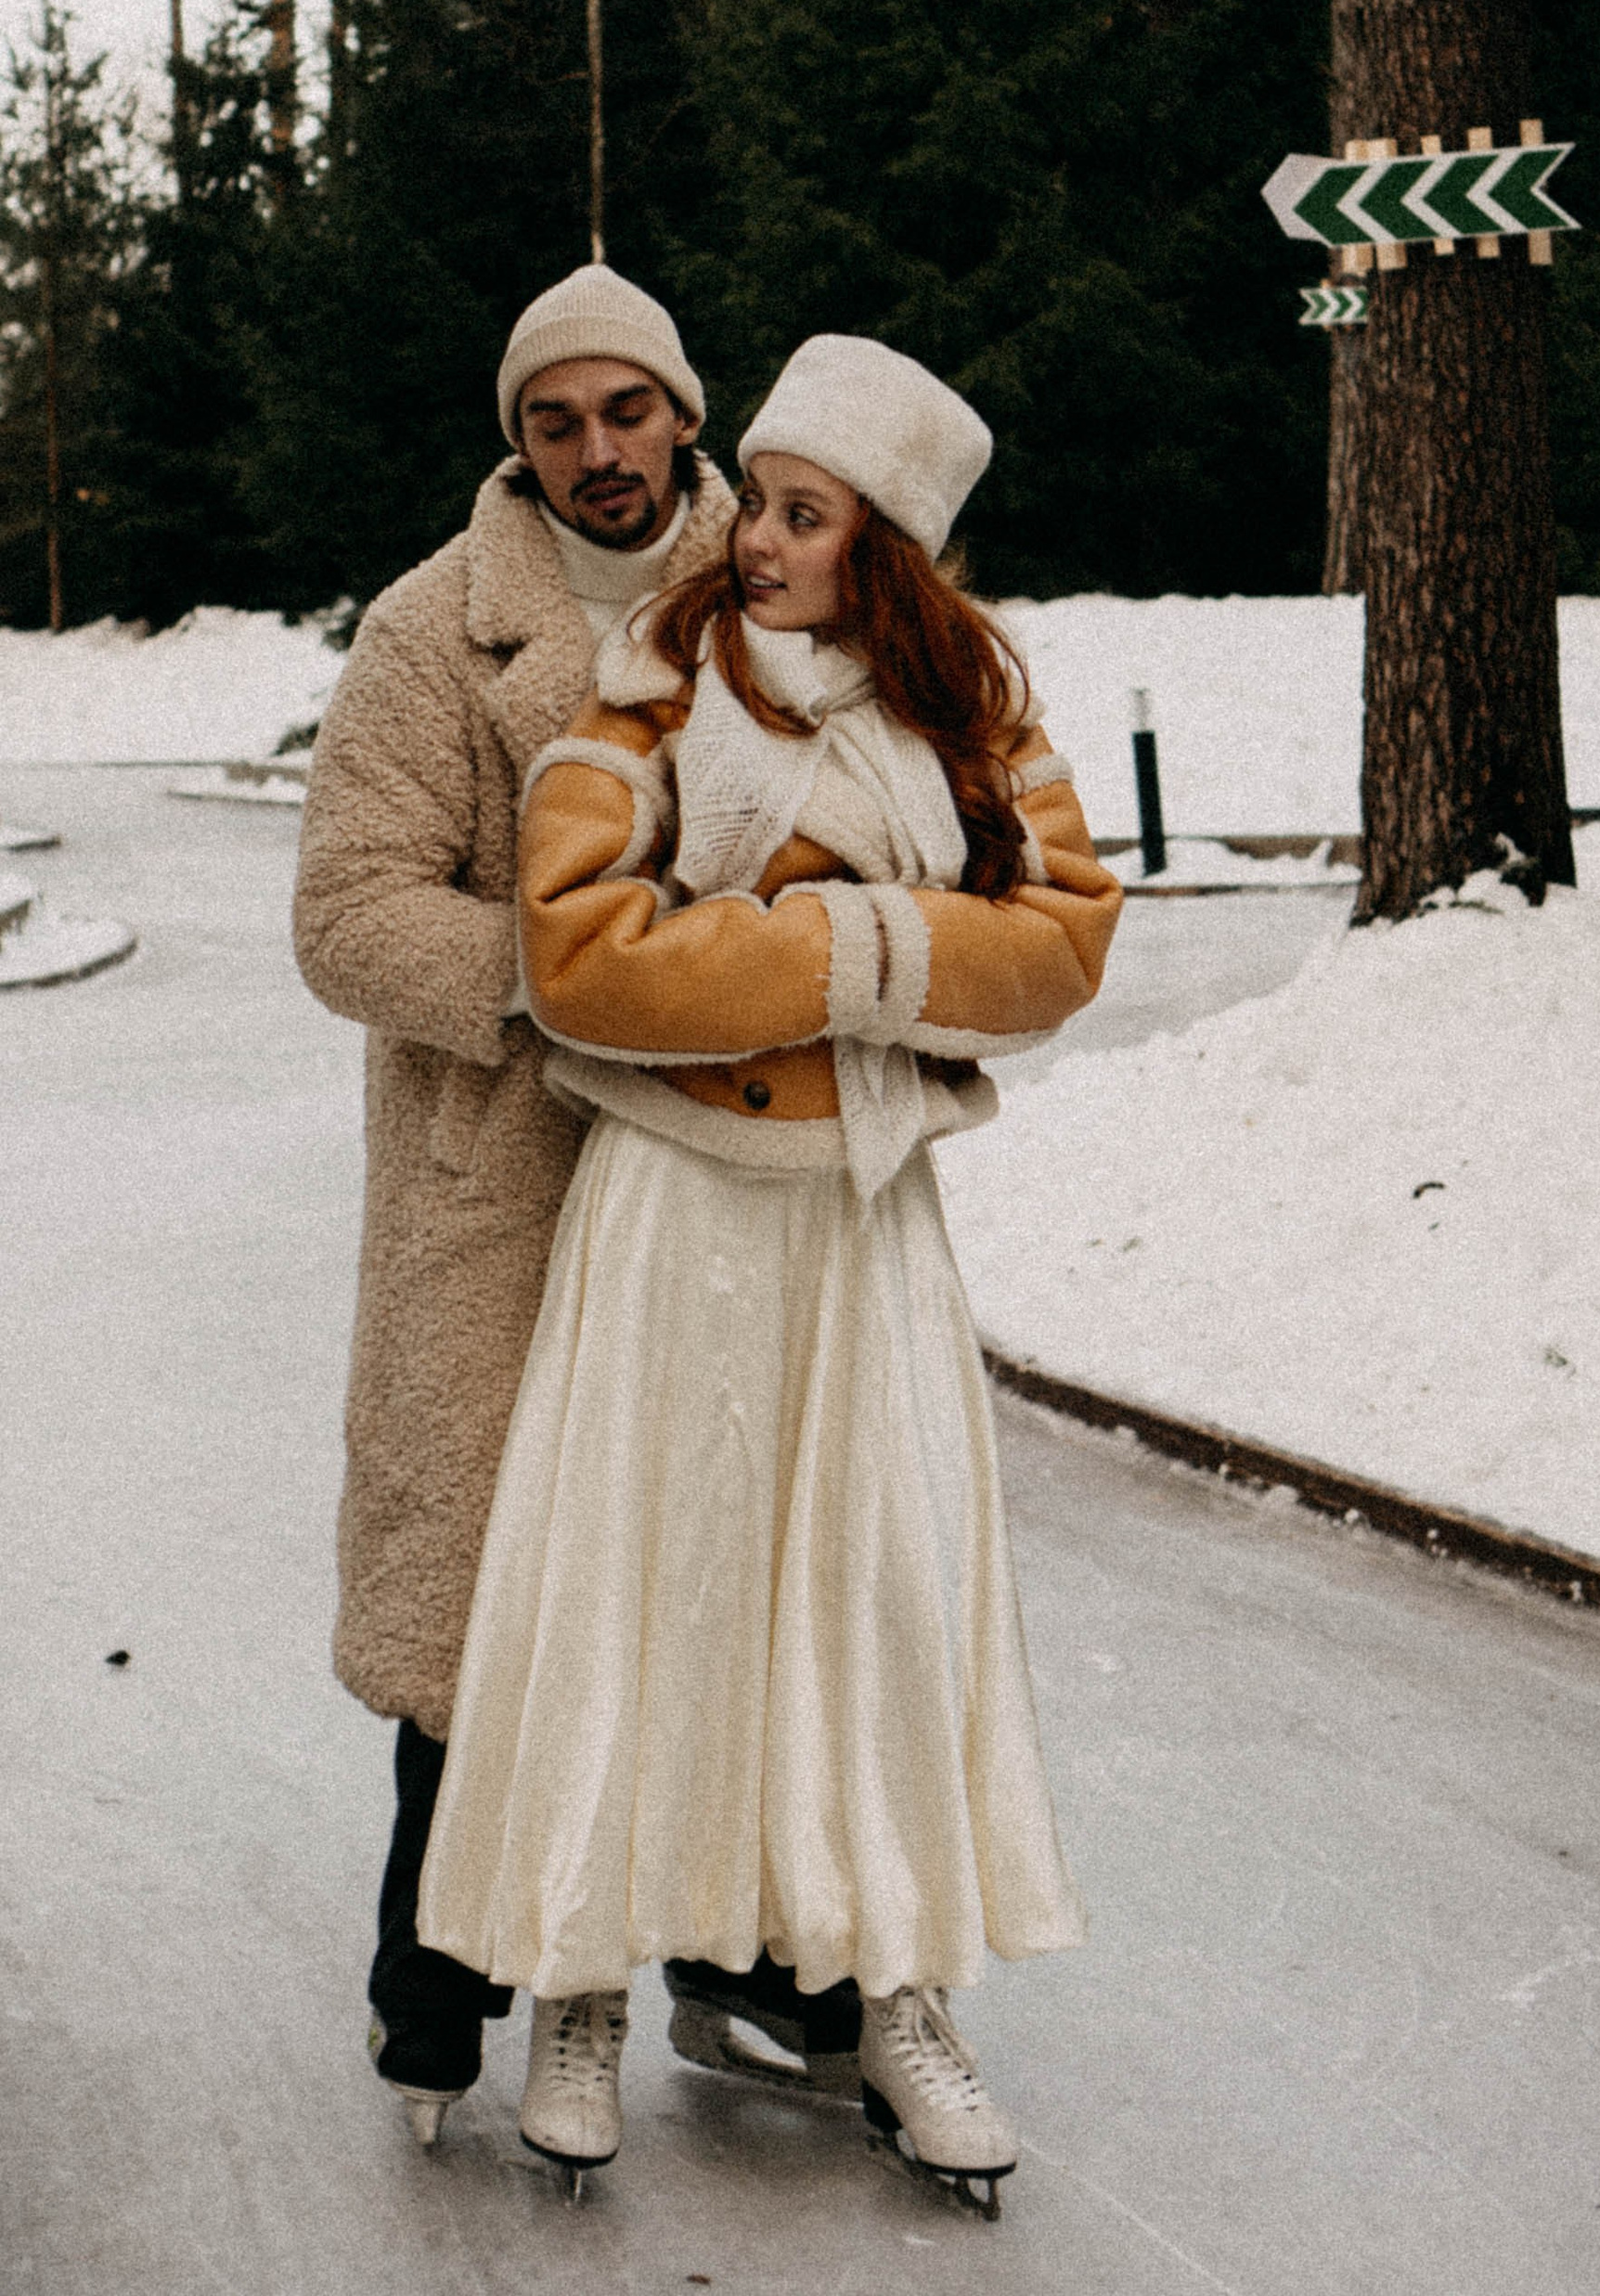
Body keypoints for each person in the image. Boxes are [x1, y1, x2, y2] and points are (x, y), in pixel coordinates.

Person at [418, 334, 1122, 2214]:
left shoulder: (970, 719)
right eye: (767, 504)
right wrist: (858, 961)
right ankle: (577, 1985)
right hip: (666, 1211)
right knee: (632, 1589)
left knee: (877, 1606)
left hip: (861, 1224)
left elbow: (1058, 943)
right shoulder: (649, 688)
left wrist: (834, 932)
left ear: (878, 544)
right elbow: (581, 955)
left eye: (801, 516)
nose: (757, 540)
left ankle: (896, 1997)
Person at [294, 261, 775, 2139]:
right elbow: (346, 916)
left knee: (736, 1570)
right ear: (519, 442)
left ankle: (762, 1972)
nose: (597, 453)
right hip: (499, 1173)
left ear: (684, 412)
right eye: (555, 421)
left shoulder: (784, 590)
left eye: (626, 411)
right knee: (486, 1604)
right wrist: (574, 974)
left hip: (730, 1160)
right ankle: (437, 1998)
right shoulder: (432, 630)